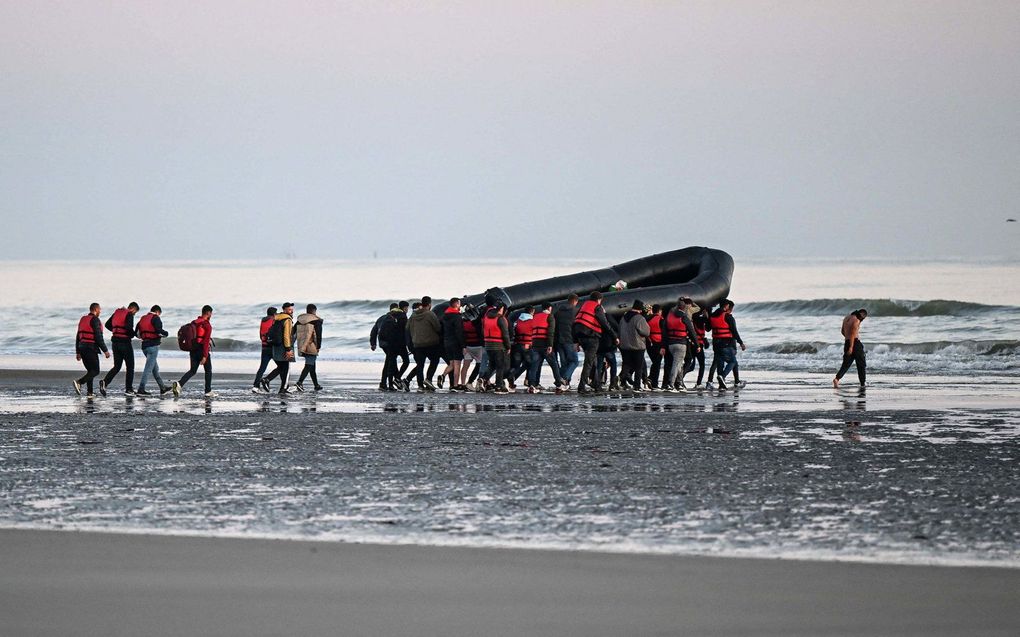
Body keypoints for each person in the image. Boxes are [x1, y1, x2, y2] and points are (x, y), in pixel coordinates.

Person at [573, 291, 618, 394]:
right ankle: (581, 386)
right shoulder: (597, 307)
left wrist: (576, 341)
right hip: (591, 337)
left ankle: (597, 385)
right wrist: (614, 336)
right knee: (589, 362)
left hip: (580, 336)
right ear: (599, 300)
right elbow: (605, 323)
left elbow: (577, 321)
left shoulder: (584, 306)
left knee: (593, 361)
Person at [172, 305, 214, 397]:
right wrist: (205, 356)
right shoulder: (207, 325)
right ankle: (208, 391)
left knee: (192, 370)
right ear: (208, 313)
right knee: (208, 370)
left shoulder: (194, 322)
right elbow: (206, 341)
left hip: (193, 349)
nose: (211, 315)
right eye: (211, 313)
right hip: (201, 349)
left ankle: (179, 384)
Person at [100, 302, 140, 396]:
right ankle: (129, 389)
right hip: (125, 342)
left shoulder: (116, 313)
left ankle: (105, 382)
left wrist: (116, 330)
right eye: (135, 312)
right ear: (133, 309)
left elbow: (107, 325)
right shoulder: (129, 314)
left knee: (117, 366)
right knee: (130, 367)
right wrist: (133, 334)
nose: (134, 314)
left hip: (115, 342)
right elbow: (128, 328)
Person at [661, 298, 700, 392]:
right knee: (676, 364)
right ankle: (671, 384)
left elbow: (664, 332)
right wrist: (697, 344)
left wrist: (663, 346)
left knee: (679, 364)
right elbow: (692, 332)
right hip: (681, 344)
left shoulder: (669, 317)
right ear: (684, 308)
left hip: (670, 344)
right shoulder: (684, 317)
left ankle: (680, 384)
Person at [73, 302, 110, 397]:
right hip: (90, 348)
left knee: (90, 371)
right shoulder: (95, 320)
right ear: (95, 310)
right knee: (96, 371)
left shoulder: (83, 319)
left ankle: (90, 392)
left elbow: (78, 336)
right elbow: (98, 337)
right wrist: (105, 350)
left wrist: (78, 352)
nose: (100, 311)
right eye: (99, 309)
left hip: (82, 347)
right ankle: (79, 382)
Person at [407, 296, 442, 391]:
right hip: (431, 343)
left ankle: (420, 386)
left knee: (420, 365)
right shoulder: (430, 314)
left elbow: (407, 328)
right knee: (435, 360)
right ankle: (428, 379)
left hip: (417, 344)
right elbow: (438, 328)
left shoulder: (413, 316)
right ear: (430, 304)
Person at [135, 305, 172, 396]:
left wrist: (145, 336)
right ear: (158, 312)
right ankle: (141, 389)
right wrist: (166, 333)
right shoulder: (156, 318)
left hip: (144, 346)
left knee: (155, 369)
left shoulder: (142, 318)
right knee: (148, 369)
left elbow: (136, 333)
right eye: (159, 314)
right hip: (153, 347)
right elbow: (159, 331)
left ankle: (162, 388)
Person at [527, 303, 564, 393]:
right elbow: (550, 332)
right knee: (554, 365)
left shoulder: (535, 316)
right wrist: (550, 345)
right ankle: (559, 384)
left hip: (535, 343)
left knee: (534, 366)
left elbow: (531, 329)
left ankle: (532, 385)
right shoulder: (550, 317)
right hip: (545, 344)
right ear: (549, 308)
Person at [709, 299, 745, 390]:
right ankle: (723, 376)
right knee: (732, 361)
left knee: (720, 363)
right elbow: (734, 331)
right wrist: (741, 342)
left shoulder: (712, 316)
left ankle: (722, 385)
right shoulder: (728, 317)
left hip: (716, 344)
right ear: (726, 306)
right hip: (726, 343)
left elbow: (708, 328)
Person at [261, 302, 295, 394]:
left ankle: (279, 386)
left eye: (292, 309)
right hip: (284, 346)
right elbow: (286, 335)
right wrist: (288, 349)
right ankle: (282, 388)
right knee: (286, 368)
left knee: (281, 367)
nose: (291, 311)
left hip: (276, 346)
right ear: (284, 310)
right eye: (289, 309)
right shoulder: (287, 319)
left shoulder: (277, 318)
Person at [618, 300, 650, 391]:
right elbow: (646, 332)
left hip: (624, 346)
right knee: (638, 367)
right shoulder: (639, 318)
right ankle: (637, 386)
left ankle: (621, 381)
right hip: (637, 346)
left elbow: (619, 330)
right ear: (640, 309)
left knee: (626, 364)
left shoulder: (623, 317)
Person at [479, 304, 511, 393]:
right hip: (499, 345)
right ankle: (499, 386)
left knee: (492, 364)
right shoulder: (500, 319)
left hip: (488, 345)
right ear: (501, 309)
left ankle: (483, 379)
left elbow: (483, 331)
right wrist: (508, 346)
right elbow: (505, 334)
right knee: (500, 366)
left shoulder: (486, 318)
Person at [833, 308, 868, 388]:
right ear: (862, 316)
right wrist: (851, 347)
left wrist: (848, 341)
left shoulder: (847, 317)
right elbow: (852, 334)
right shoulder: (856, 320)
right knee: (861, 364)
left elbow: (842, 331)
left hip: (847, 342)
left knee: (846, 364)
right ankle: (862, 383)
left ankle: (837, 379)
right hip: (855, 344)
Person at [372, 303, 403, 391]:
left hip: (382, 344)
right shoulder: (393, 318)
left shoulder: (381, 318)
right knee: (390, 363)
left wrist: (373, 343)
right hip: (390, 344)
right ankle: (388, 383)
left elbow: (374, 331)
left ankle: (385, 383)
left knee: (390, 361)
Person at [295, 304, 324, 391]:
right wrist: (318, 346)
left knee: (312, 365)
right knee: (309, 365)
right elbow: (318, 335)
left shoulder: (299, 320)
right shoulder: (316, 321)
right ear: (314, 311)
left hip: (302, 345)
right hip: (311, 345)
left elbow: (293, 332)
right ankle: (299, 382)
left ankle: (316, 385)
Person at [553, 294, 580, 388]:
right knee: (575, 361)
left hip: (559, 340)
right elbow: (577, 328)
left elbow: (554, 326)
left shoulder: (558, 311)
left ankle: (561, 382)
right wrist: (578, 342)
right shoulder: (576, 311)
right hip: (570, 340)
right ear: (575, 301)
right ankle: (564, 378)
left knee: (564, 363)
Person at [440, 298, 467, 391]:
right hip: (456, 343)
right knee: (457, 365)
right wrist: (463, 346)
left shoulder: (444, 316)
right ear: (456, 305)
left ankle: (442, 375)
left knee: (451, 364)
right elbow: (459, 332)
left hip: (447, 342)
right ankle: (455, 385)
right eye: (459, 304)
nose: (460, 306)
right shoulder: (457, 317)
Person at [509, 307, 535, 390]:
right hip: (527, 345)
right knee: (530, 363)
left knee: (516, 364)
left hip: (517, 345)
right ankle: (530, 383)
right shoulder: (532, 321)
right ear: (532, 312)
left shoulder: (518, 321)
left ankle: (511, 378)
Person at [252, 307, 277, 393]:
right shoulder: (273, 320)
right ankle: (269, 381)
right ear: (274, 314)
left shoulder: (263, 321)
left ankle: (256, 386)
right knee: (282, 367)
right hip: (272, 347)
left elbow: (260, 334)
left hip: (264, 346)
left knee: (262, 368)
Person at [460, 310, 485, 389]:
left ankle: (463, 384)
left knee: (465, 366)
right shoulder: (477, 323)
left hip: (467, 347)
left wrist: (463, 346)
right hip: (477, 347)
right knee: (479, 365)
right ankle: (470, 382)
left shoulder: (463, 323)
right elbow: (481, 334)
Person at [689, 303, 711, 389]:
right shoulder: (702, 319)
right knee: (702, 364)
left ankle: (680, 378)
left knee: (691, 366)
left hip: (691, 344)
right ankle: (698, 383)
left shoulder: (691, 319)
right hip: (698, 345)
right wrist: (707, 316)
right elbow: (708, 328)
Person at [645, 305, 664, 390]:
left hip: (649, 343)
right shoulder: (661, 319)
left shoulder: (647, 318)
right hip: (658, 344)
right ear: (659, 311)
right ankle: (654, 383)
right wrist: (663, 346)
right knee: (657, 363)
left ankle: (650, 378)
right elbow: (664, 334)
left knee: (655, 363)